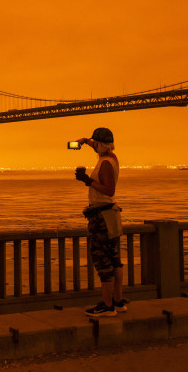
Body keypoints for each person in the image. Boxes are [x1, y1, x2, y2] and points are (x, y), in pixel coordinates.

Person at [74, 127, 127, 317]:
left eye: (95, 143)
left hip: (102, 217)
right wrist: (84, 141)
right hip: (111, 216)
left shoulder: (104, 164)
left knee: (102, 260)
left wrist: (87, 181)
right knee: (114, 260)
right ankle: (118, 301)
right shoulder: (112, 157)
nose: (93, 146)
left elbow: (108, 190)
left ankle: (107, 305)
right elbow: (96, 145)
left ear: (100, 144)